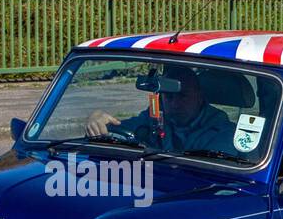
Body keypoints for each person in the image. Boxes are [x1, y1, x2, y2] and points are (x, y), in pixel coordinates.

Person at [85, 64, 236, 154]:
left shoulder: (222, 130)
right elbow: (121, 129)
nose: (175, 104)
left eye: (183, 96)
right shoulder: (154, 118)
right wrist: (97, 120)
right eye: (169, 97)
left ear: (199, 96)